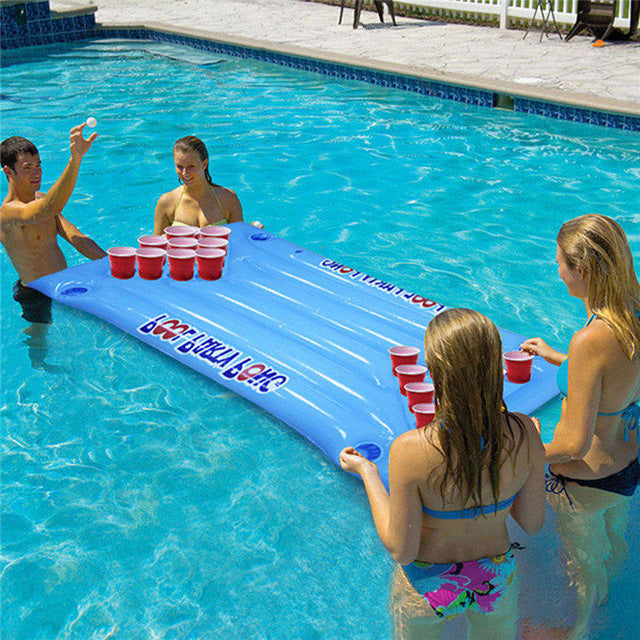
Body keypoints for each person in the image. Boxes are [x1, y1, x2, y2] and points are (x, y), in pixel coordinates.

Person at [340, 308, 546, 640]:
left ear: (435, 372)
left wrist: (368, 473)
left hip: (428, 584)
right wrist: (531, 453)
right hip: (494, 578)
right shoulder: (525, 433)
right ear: (496, 367)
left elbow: (401, 549)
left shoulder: (410, 449)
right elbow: (532, 522)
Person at [521, 214, 640, 640]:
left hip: (586, 479)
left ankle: (579, 630)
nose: (557, 271)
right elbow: (615, 377)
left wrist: (520, 447)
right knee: (615, 541)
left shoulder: (589, 340)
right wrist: (557, 359)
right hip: (627, 464)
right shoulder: (634, 312)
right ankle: (612, 590)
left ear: (582, 271)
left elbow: (572, 444)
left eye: (560, 263)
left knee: (582, 563)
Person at [1, 125, 106, 368]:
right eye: (27, 168)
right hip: (36, 294)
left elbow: (74, 236)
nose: (36, 172)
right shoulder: (8, 214)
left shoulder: (40, 198)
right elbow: (48, 208)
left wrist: (109, 263)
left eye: (38, 164)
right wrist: (75, 159)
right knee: (40, 345)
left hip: (63, 285)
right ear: (8, 172)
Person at [153, 135, 262, 233]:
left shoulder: (228, 199)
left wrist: (250, 232)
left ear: (204, 164)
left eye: (191, 166)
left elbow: (239, 242)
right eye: (179, 167)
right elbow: (155, 249)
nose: (185, 173)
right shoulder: (167, 202)